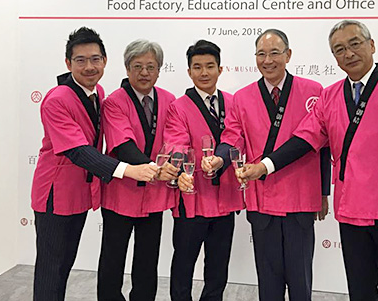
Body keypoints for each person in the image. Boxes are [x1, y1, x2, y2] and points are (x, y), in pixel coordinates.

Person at [242, 20, 378, 301]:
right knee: (360, 291)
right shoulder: (329, 96)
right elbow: (303, 140)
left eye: (355, 44)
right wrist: (264, 166)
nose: (348, 53)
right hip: (352, 212)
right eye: (339, 49)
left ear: (371, 45)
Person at [30, 27, 158, 301]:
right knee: (52, 269)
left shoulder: (98, 91)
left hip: (79, 193)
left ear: (105, 61)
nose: (89, 66)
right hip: (55, 193)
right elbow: (77, 151)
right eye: (81, 60)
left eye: (95, 59)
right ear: (68, 63)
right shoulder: (56, 99)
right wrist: (128, 170)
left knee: (64, 264)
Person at [203, 29, 331, 301]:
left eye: (275, 53)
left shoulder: (313, 91)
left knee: (300, 280)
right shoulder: (243, 97)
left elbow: (321, 144)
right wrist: (220, 158)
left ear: (288, 55)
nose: (268, 60)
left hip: (301, 195)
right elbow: (232, 137)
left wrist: (323, 192)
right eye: (261, 54)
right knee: (268, 279)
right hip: (262, 197)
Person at [97, 39, 179, 301]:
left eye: (151, 67)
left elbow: (175, 138)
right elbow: (122, 145)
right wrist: (157, 169)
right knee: (113, 258)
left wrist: (173, 164)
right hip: (121, 194)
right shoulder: (114, 102)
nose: (144, 73)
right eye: (138, 66)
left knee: (147, 259)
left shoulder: (169, 99)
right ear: (127, 68)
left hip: (154, 197)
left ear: (159, 70)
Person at [163, 40, 243, 301]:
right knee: (184, 263)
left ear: (221, 69)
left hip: (225, 197)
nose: (204, 72)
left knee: (218, 266)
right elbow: (176, 143)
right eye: (197, 67)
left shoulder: (233, 103)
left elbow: (237, 137)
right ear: (189, 72)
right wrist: (179, 168)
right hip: (192, 197)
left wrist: (221, 160)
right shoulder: (178, 107)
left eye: (210, 66)